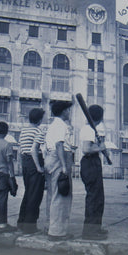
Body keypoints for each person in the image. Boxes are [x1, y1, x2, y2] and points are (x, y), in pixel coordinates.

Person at [44, 101, 74, 241]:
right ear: (63, 111)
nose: (69, 113)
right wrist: (63, 167)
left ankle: (50, 226)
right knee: (61, 195)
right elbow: (59, 145)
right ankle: (57, 232)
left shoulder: (52, 125)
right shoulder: (61, 125)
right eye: (68, 110)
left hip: (51, 158)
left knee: (52, 194)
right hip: (59, 159)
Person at [79, 104, 109, 240]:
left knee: (99, 198)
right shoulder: (88, 129)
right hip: (89, 162)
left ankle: (96, 228)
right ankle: (89, 232)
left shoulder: (93, 129)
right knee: (93, 197)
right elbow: (86, 149)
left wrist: (103, 151)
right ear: (101, 117)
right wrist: (100, 147)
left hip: (94, 162)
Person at [17, 108, 46, 234]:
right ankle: (30, 226)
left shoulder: (23, 131)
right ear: (39, 119)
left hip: (25, 163)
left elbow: (20, 149)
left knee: (28, 192)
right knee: (35, 195)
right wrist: (39, 166)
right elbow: (34, 150)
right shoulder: (38, 131)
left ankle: (21, 222)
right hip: (34, 162)